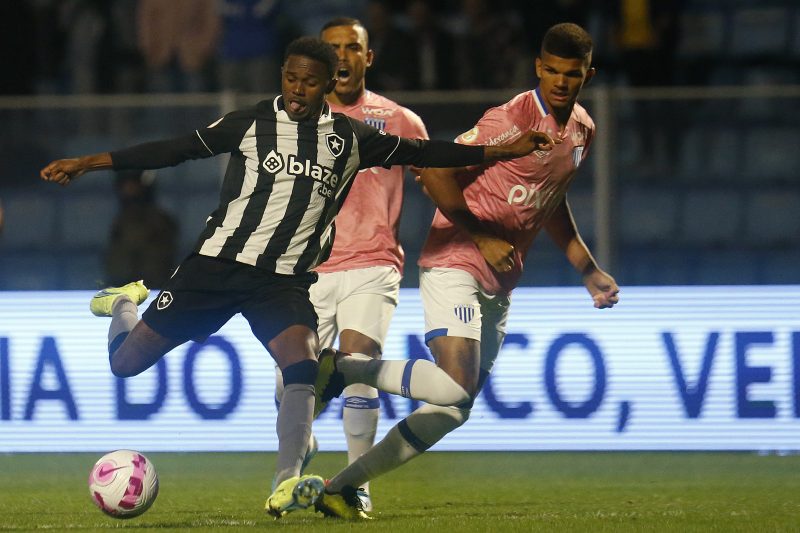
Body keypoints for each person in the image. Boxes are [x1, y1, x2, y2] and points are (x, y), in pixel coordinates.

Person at [39, 36, 555, 519]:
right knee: (126, 364)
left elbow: (425, 152)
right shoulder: (248, 124)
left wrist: (499, 152)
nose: (297, 89)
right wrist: (90, 162)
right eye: (290, 78)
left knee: (303, 366)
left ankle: (286, 480)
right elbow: (175, 149)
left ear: (328, 83)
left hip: (281, 281)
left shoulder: (352, 139)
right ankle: (125, 304)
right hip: (215, 267)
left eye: (309, 81)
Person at [311, 23, 620, 520]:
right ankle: (344, 368)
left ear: (588, 74)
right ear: (539, 67)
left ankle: (343, 485)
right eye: (553, 71)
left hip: (500, 280)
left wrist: (587, 268)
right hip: (454, 260)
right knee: (455, 384)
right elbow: (435, 173)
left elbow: (550, 199)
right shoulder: (510, 119)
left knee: (454, 407)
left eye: (573, 74)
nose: (562, 82)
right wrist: (481, 235)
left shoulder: (582, 128)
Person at [274, 16, 430, 513]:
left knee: (360, 365)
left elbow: (438, 181)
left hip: (373, 263)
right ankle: (307, 449)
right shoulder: (293, 122)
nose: (342, 56)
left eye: (352, 47)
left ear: (368, 57)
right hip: (309, 270)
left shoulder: (399, 119)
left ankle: (355, 484)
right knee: (289, 387)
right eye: (332, 48)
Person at [104, 170, 178, 289]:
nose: (128, 189)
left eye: (132, 184)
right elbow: (116, 263)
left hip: (151, 290)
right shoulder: (120, 221)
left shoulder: (160, 221)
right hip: (124, 291)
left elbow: (159, 263)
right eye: (125, 185)